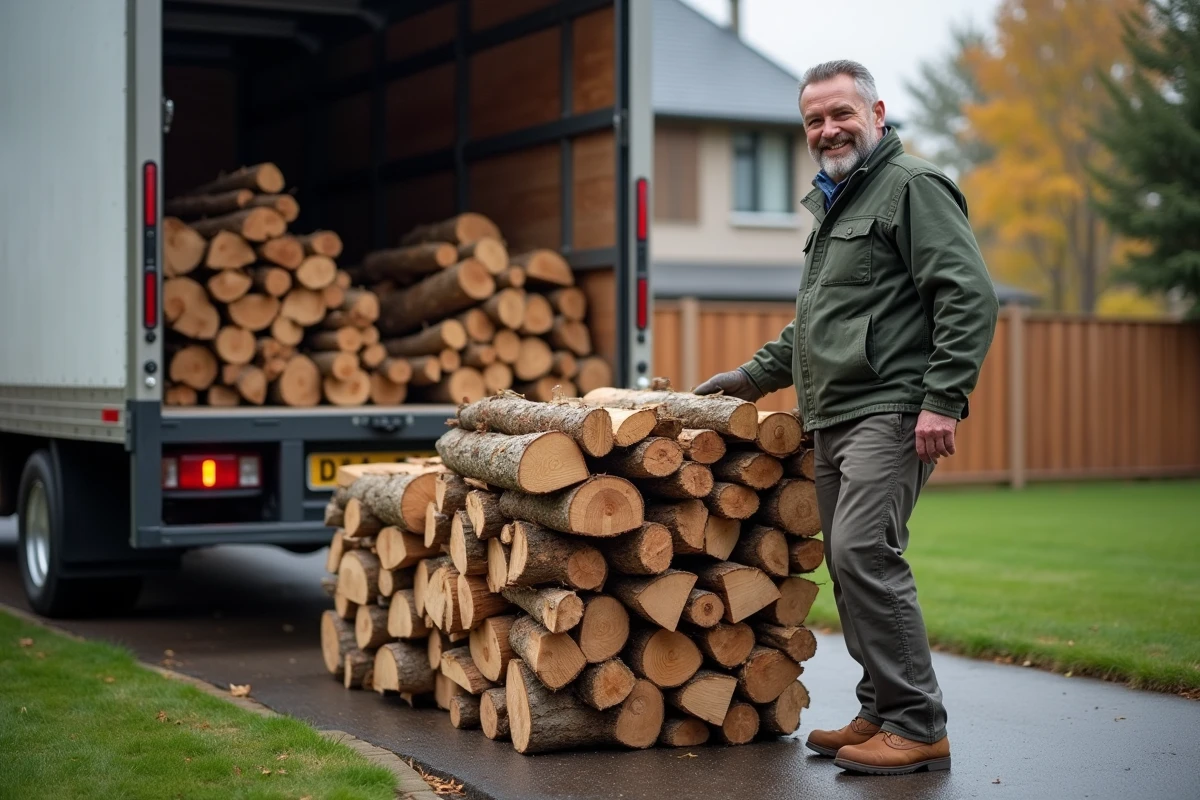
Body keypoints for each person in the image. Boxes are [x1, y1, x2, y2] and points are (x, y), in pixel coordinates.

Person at [695, 59, 998, 775]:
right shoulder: (838, 203)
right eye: (814, 120)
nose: (828, 129)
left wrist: (942, 399)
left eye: (841, 113)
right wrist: (749, 377)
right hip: (832, 414)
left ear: (877, 113)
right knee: (847, 559)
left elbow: (968, 296)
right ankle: (881, 709)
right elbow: (818, 326)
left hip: (890, 408)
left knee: (865, 552)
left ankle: (919, 725)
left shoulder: (911, 186)